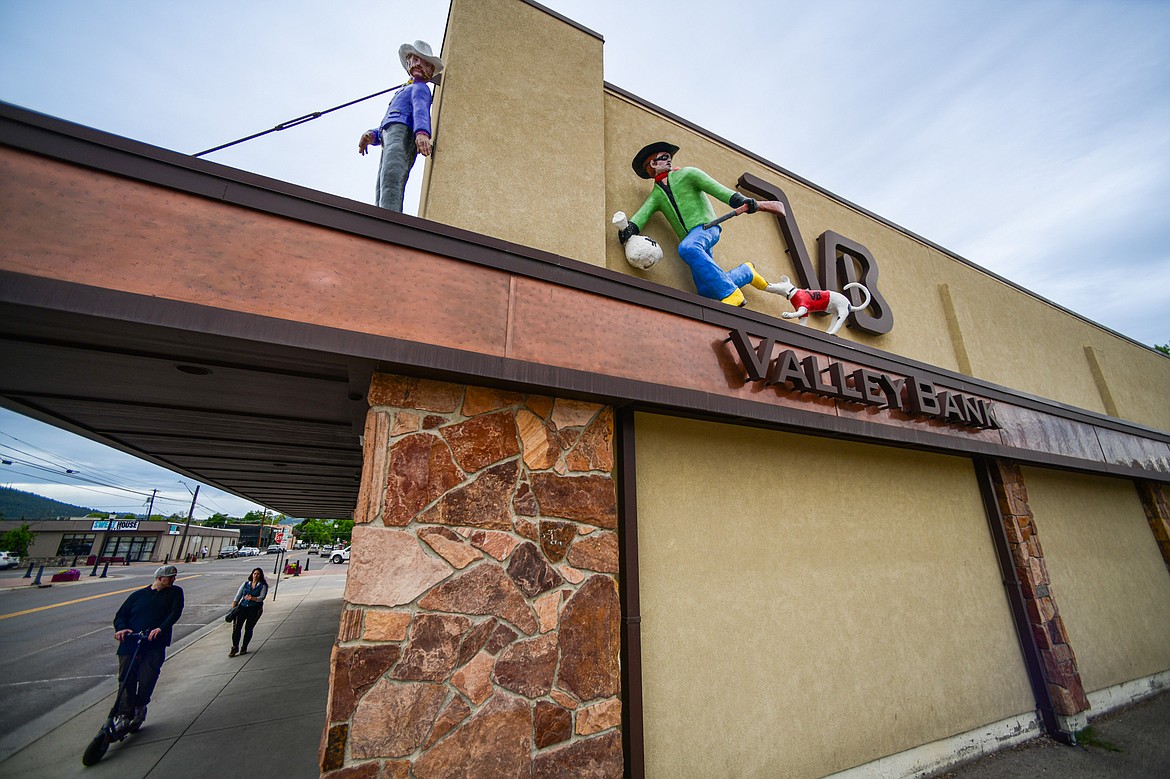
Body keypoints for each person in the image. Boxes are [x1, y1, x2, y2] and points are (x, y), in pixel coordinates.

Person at [618, 142, 786, 307]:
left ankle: (731, 294)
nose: (669, 160)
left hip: (707, 227)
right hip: (693, 240)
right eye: (663, 157)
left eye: (669, 157)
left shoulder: (688, 174)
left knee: (687, 248)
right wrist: (629, 229)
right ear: (652, 165)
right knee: (706, 291)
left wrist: (740, 200)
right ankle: (746, 272)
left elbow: (717, 189)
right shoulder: (657, 194)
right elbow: (644, 212)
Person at [358, 40, 445, 212]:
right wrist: (373, 135)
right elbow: (390, 119)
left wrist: (422, 133)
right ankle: (381, 215)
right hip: (390, 134)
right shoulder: (404, 89)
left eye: (424, 62)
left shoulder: (420, 89)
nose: (418, 64)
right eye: (414, 60)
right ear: (408, 63)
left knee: (393, 174)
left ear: (430, 70)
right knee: (382, 180)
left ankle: (390, 217)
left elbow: (420, 110)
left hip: (403, 133)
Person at [111, 564, 184, 731]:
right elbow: (121, 615)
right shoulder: (138, 595)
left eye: (174, 576)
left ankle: (140, 707)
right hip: (131, 642)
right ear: (159, 578)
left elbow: (175, 612)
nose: (173, 579)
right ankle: (123, 714)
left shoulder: (175, 593)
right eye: (170, 577)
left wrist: (161, 628)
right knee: (126, 678)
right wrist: (121, 628)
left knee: (147, 677)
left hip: (155, 643)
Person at [229, 567, 269, 657]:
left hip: (254, 609)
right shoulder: (246, 584)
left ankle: (244, 646)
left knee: (249, 628)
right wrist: (233, 607)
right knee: (237, 628)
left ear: (260, 576)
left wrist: (252, 598)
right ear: (252, 574)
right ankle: (235, 647)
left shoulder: (262, 586)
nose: (256, 575)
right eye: (254, 573)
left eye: (258, 574)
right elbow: (238, 595)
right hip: (243, 607)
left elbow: (262, 597)